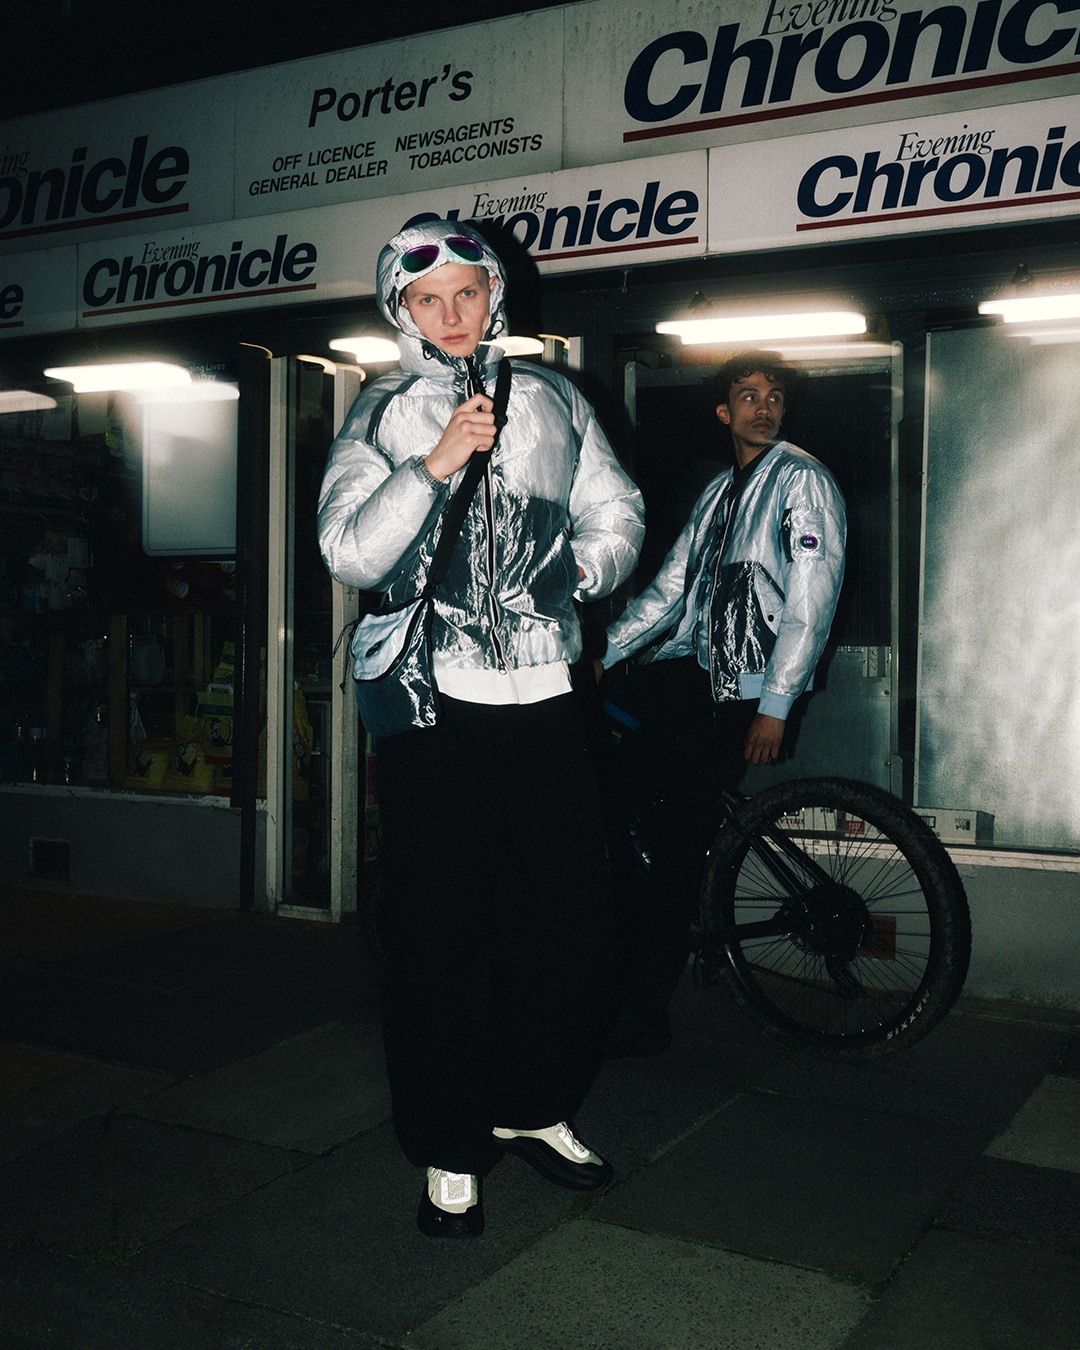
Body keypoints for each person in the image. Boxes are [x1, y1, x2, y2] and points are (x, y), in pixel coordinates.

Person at [317, 220, 644, 1238]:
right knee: (439, 935)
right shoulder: (380, 410)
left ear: (494, 294)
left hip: (546, 701)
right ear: (401, 310)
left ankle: (532, 1104)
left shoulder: (553, 398)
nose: (452, 314)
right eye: (429, 299)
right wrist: (432, 464)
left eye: (467, 292)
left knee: (568, 922)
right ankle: (449, 1146)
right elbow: (347, 552)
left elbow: (618, 508)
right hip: (438, 709)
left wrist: (579, 572)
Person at [597, 350, 846, 1056]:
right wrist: (602, 654)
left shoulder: (800, 479)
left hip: (745, 690)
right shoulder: (719, 493)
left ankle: (642, 1013)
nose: (763, 408)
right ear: (723, 411)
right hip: (697, 675)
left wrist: (777, 703)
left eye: (774, 397)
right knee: (622, 782)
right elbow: (670, 589)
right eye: (748, 395)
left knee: (676, 846)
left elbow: (812, 598)